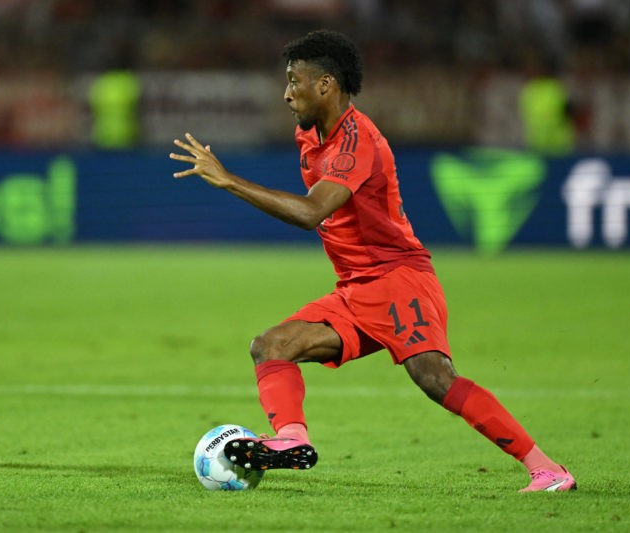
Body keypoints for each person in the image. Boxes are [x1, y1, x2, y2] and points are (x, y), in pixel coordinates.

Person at [169, 30, 576, 492]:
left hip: (399, 279)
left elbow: (310, 212)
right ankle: (290, 440)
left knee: (435, 378)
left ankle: (548, 470)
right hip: (356, 288)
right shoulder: (309, 133)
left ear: (324, 84)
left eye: (293, 81)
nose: (285, 93)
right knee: (271, 345)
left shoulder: (357, 141)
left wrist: (229, 181)